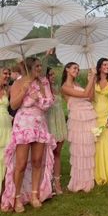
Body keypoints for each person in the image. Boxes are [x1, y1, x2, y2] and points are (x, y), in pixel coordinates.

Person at [1, 57, 55, 213]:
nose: (40, 68)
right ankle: (16, 198)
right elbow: (13, 105)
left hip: (39, 124)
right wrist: (25, 90)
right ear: (30, 67)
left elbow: (48, 103)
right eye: (37, 66)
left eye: (40, 66)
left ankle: (34, 195)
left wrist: (38, 98)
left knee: (37, 160)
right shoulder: (19, 82)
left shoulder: (43, 82)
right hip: (23, 124)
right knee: (21, 163)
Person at [61, 62, 96, 193]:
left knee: (87, 148)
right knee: (79, 150)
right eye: (74, 68)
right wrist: (92, 77)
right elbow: (84, 94)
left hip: (86, 119)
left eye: (78, 68)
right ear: (67, 70)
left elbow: (90, 97)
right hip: (78, 121)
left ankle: (88, 179)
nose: (77, 70)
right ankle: (79, 180)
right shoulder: (65, 87)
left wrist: (90, 81)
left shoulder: (77, 85)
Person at [93, 58, 108, 185]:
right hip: (96, 115)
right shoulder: (94, 80)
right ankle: (97, 173)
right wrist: (90, 79)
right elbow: (90, 97)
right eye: (104, 64)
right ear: (99, 67)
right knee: (97, 145)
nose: (107, 66)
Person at [46, 67, 67, 195]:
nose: (53, 76)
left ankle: (57, 182)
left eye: (53, 74)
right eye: (50, 74)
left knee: (58, 152)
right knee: (48, 153)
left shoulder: (57, 89)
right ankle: (47, 182)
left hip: (59, 122)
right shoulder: (42, 90)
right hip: (48, 123)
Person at [0, 68, 12, 196]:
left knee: (6, 159)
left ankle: (4, 193)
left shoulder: (7, 90)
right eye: (5, 73)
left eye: (9, 73)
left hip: (7, 127)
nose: (8, 76)